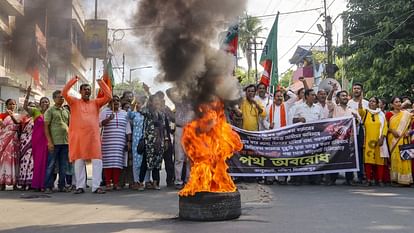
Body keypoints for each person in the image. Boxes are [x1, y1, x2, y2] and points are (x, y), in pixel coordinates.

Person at [62, 76, 112, 194]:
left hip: (93, 136)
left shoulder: (96, 102)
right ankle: (80, 186)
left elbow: (109, 96)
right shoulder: (73, 102)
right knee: (79, 161)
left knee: (97, 160)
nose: (87, 91)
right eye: (85, 89)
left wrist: (101, 83)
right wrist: (73, 80)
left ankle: (96, 186)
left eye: (89, 89)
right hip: (78, 137)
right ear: (80, 91)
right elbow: (64, 92)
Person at [326, 85, 359, 185]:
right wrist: (332, 90)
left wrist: (355, 118)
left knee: (349, 158)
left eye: (346, 96)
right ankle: (332, 179)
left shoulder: (352, 110)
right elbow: (328, 101)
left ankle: (349, 179)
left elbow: (358, 122)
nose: (345, 97)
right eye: (342, 96)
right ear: (338, 98)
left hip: (350, 138)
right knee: (335, 157)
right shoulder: (335, 108)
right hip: (337, 138)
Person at [291, 89, 324, 185]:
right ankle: (300, 178)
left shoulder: (318, 108)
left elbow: (322, 122)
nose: (314, 97)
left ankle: (315, 178)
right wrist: (299, 119)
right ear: (306, 96)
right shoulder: (299, 107)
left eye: (314, 95)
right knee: (303, 157)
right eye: (312, 95)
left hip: (315, 137)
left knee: (314, 158)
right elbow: (293, 121)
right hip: (303, 137)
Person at [100, 95, 131, 191]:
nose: (116, 102)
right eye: (114, 101)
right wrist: (109, 119)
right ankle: (108, 183)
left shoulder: (124, 113)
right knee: (108, 163)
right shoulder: (105, 112)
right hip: (107, 142)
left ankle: (116, 183)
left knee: (118, 163)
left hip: (120, 142)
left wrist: (128, 141)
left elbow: (128, 129)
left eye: (118, 100)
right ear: (110, 103)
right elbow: (99, 124)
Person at [140, 94, 171, 190]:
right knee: (145, 162)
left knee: (157, 163)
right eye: (155, 100)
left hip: (160, 141)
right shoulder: (147, 112)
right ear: (151, 102)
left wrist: (166, 140)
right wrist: (147, 96)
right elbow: (141, 110)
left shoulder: (162, 114)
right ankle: (141, 183)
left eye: (158, 100)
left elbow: (165, 128)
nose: (157, 102)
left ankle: (155, 183)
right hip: (149, 141)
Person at [23, 87, 50, 192]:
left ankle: (44, 184)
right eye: (43, 101)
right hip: (37, 140)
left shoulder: (50, 112)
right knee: (38, 162)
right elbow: (25, 107)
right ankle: (36, 184)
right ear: (40, 103)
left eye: (46, 101)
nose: (44, 103)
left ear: (49, 104)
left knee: (46, 163)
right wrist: (28, 94)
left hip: (47, 140)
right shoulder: (35, 111)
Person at [166, 88, 194, 190]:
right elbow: (168, 91)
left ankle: (188, 180)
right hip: (180, 129)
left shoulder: (195, 102)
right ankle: (178, 181)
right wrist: (180, 85)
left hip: (191, 131)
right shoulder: (178, 102)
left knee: (190, 157)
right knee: (179, 157)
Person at [44, 90, 70, 193]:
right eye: (59, 97)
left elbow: (69, 126)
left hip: (65, 142)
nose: (62, 99)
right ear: (54, 98)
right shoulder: (50, 111)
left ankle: (62, 186)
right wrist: (49, 142)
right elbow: (46, 127)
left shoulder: (66, 111)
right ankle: (48, 186)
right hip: (54, 142)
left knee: (63, 165)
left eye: (63, 97)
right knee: (51, 165)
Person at [358, 97, 388, 186]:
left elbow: (385, 127)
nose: (371, 103)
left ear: (377, 103)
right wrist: (360, 101)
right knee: (368, 160)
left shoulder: (381, 114)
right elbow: (360, 111)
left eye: (374, 101)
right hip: (368, 140)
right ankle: (368, 180)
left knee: (380, 161)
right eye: (370, 101)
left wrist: (382, 137)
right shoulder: (366, 112)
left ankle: (379, 180)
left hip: (379, 140)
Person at [386, 97, 413, 186]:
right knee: (395, 158)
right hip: (393, 138)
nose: (398, 103)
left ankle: (406, 180)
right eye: (396, 102)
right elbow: (385, 126)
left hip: (404, 138)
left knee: (405, 158)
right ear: (392, 104)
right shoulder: (389, 114)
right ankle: (396, 179)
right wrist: (392, 130)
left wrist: (409, 132)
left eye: (399, 102)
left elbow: (411, 125)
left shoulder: (406, 114)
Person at [347, 83, 368, 184]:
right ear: (352, 90)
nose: (356, 90)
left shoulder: (366, 103)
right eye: (354, 88)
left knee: (360, 153)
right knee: (350, 153)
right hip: (349, 131)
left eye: (358, 88)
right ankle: (349, 177)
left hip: (361, 131)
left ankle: (360, 176)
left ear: (361, 90)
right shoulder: (349, 103)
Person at [0, 99, 21, 190]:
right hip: (4, 140)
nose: (12, 106)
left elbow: (17, 123)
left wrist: (11, 116)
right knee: (4, 160)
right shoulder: (2, 116)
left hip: (15, 140)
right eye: (9, 104)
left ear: (15, 105)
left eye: (13, 104)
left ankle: (15, 183)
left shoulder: (18, 116)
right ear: (6, 105)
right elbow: (2, 127)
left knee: (15, 160)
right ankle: (2, 182)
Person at [127, 96, 146, 190]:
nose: (139, 105)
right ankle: (136, 181)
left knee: (144, 161)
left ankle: (143, 182)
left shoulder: (145, 114)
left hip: (144, 139)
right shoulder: (134, 114)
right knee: (136, 162)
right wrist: (133, 103)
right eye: (137, 104)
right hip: (135, 140)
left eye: (140, 103)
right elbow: (128, 115)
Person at [18, 102, 36, 190]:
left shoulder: (37, 118)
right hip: (24, 142)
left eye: (33, 107)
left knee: (32, 163)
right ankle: (23, 183)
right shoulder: (23, 118)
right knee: (24, 162)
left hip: (34, 143)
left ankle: (30, 183)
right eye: (30, 107)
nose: (32, 109)